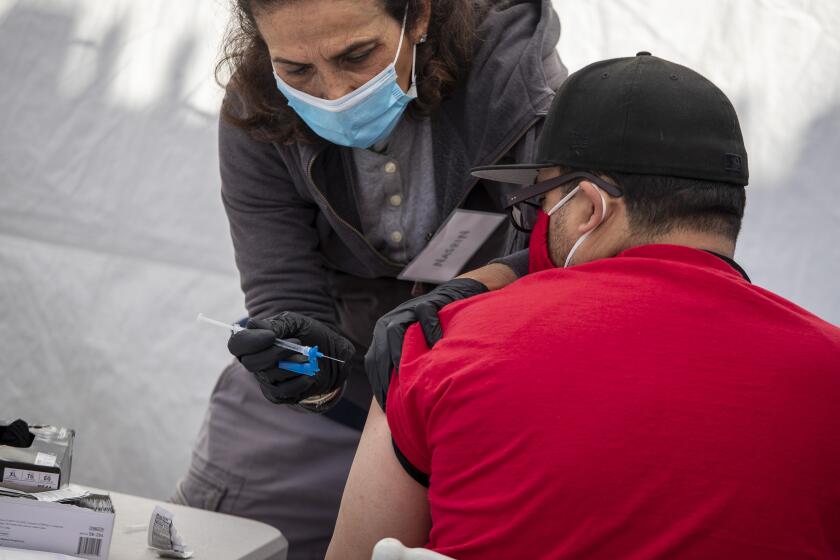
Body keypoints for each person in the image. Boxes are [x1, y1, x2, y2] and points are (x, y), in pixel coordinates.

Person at [326, 53, 840, 559]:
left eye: (542, 202)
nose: (534, 226)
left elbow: (355, 551)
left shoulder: (441, 342)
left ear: (590, 208)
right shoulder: (829, 365)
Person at [174, 0, 566, 557]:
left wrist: (454, 302)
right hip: (341, 389)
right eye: (297, 70)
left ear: (420, 17)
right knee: (221, 539)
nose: (332, 93)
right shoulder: (256, 105)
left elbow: (563, 257)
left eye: (357, 56)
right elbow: (283, 285)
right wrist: (304, 358)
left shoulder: (519, 82)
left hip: (485, 384)